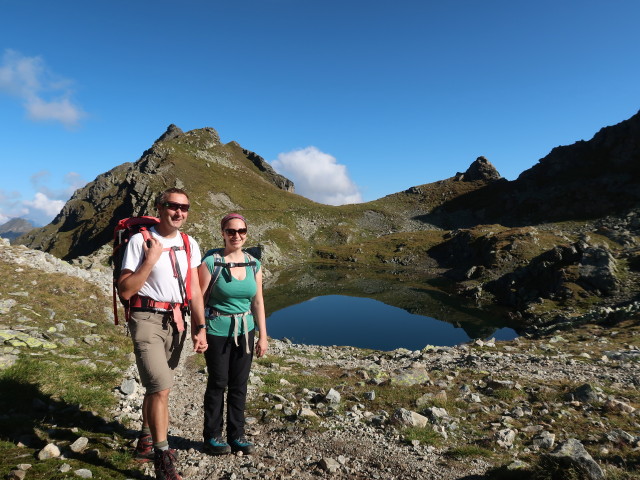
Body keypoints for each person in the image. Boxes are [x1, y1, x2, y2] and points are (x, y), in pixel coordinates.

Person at [118, 188, 207, 480]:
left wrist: (199, 327)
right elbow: (126, 290)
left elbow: (193, 290)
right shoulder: (139, 241)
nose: (179, 212)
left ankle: (145, 438)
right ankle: (162, 458)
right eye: (172, 206)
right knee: (161, 388)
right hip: (145, 318)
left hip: (176, 321)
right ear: (159, 208)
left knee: (158, 387)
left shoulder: (188, 242)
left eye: (184, 207)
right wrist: (150, 259)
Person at [198, 213, 268, 455]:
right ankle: (212, 436)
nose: (236, 235)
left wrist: (263, 335)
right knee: (218, 383)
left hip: (246, 330)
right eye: (231, 231)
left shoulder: (254, 264)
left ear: (246, 233)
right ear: (223, 233)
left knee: (239, 384)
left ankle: (236, 435)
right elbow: (198, 300)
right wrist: (200, 331)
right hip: (217, 330)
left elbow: (258, 302)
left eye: (241, 231)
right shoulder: (211, 263)